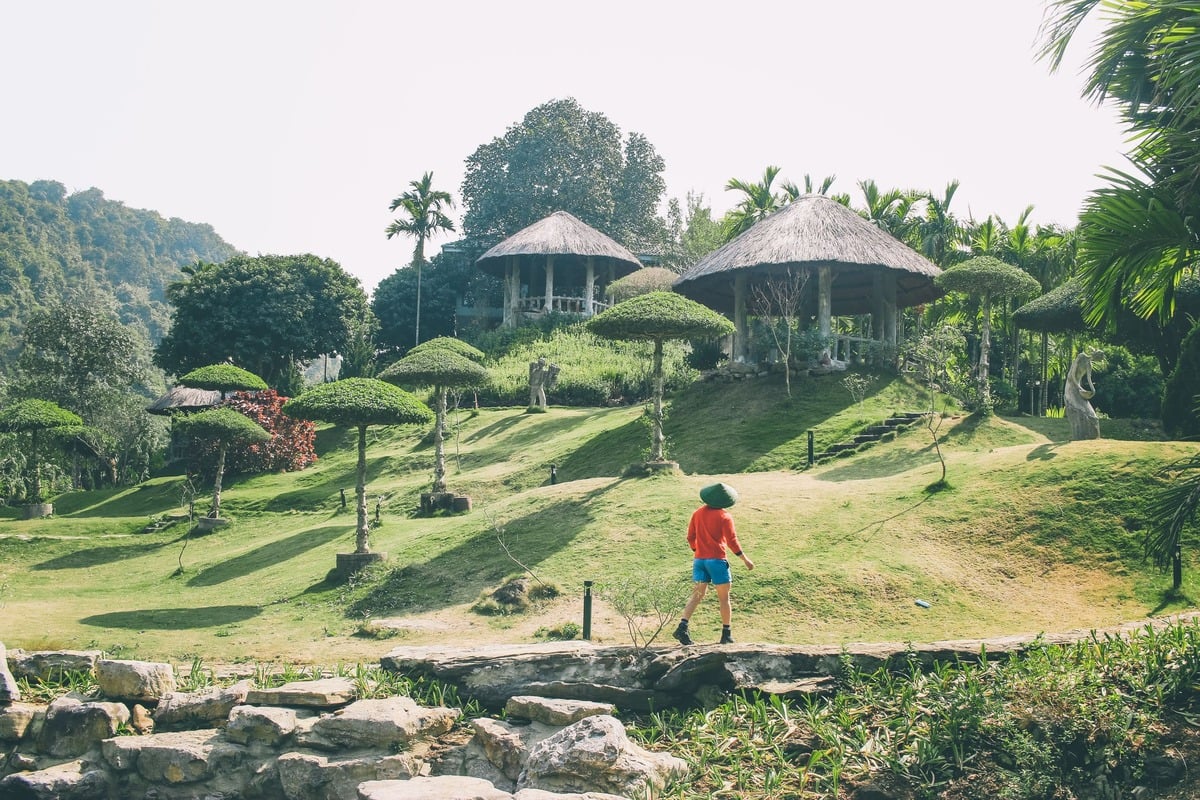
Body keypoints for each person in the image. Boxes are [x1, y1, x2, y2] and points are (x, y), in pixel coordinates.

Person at [672, 482, 754, 646]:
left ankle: (682, 626)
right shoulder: (725, 517)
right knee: (724, 598)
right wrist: (745, 559)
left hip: (699, 561)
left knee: (697, 596)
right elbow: (732, 541)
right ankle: (726, 634)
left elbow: (690, 537)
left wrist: (697, 550)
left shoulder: (697, 513)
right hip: (717, 560)